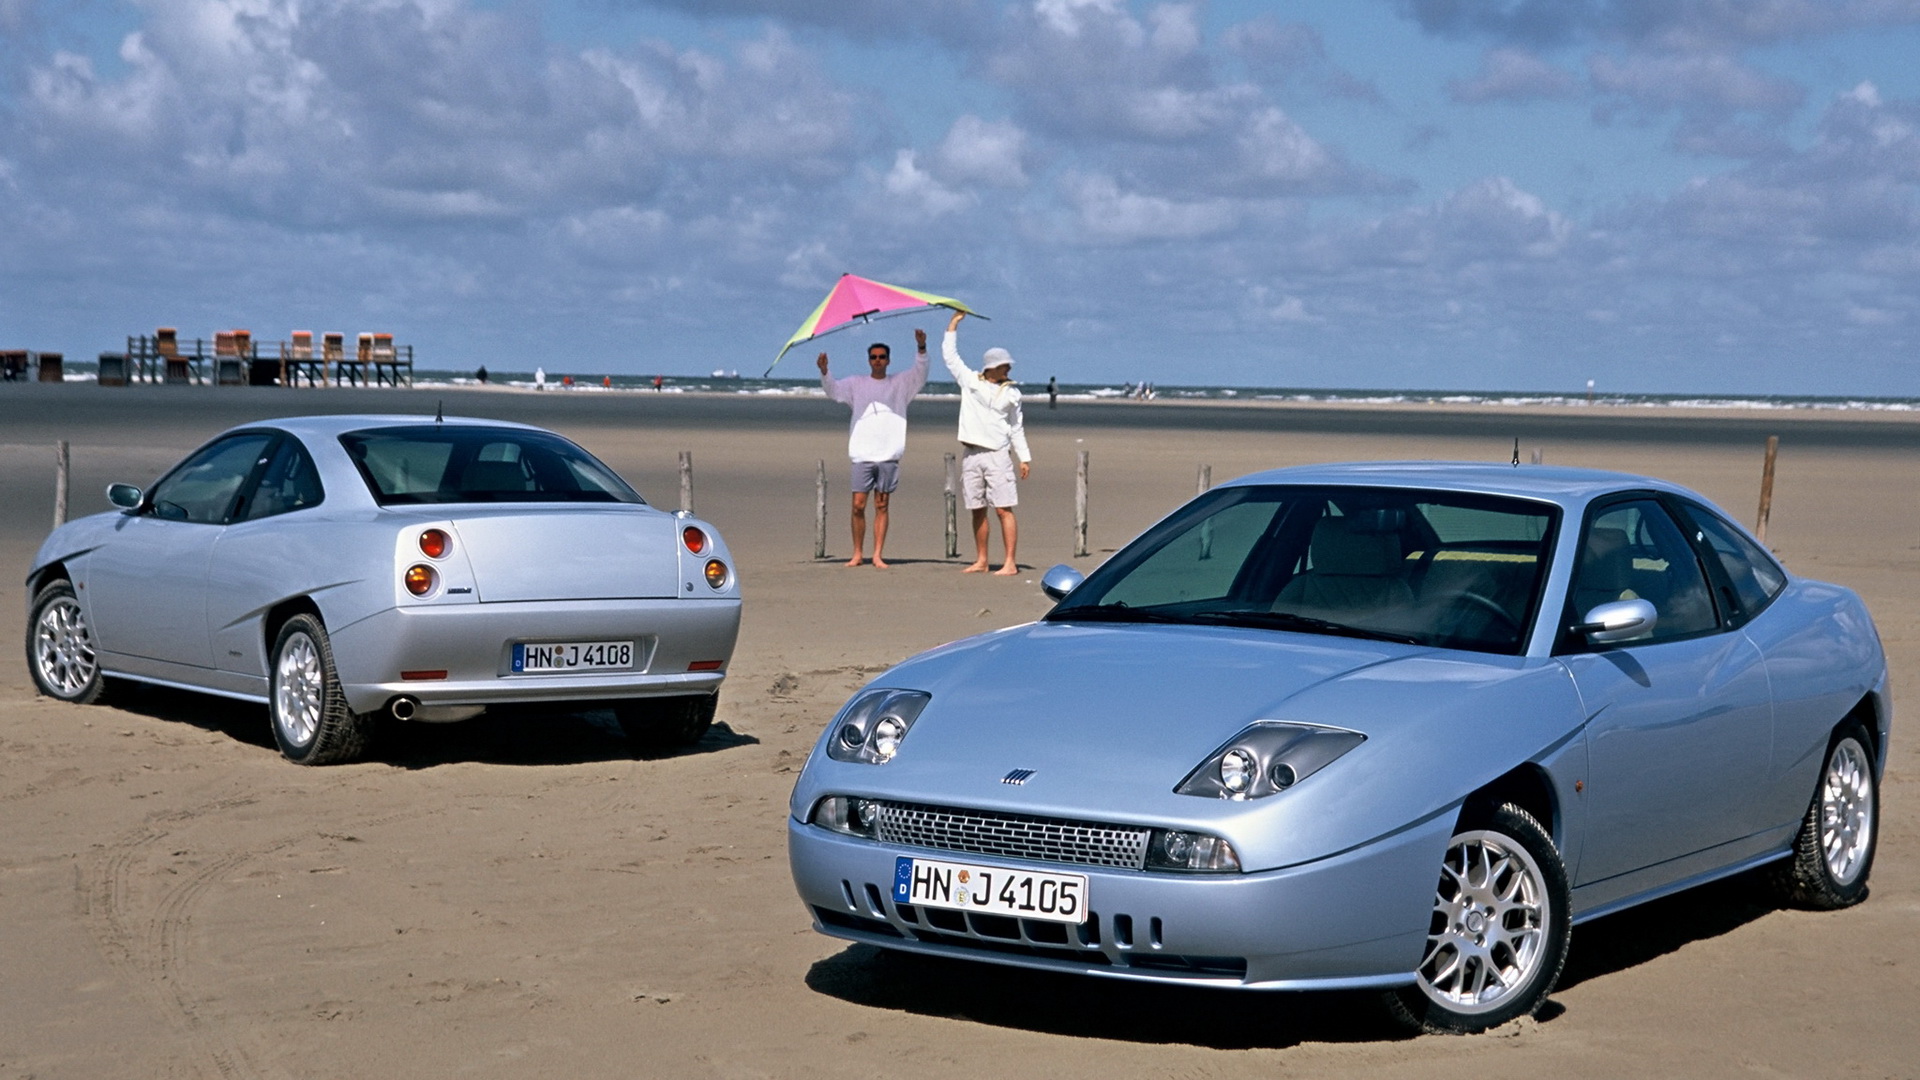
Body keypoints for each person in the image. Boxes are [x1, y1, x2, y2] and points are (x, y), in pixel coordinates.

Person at [818, 328, 931, 568]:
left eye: (881, 357)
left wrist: (921, 348)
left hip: (889, 453)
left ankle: (877, 554)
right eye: (874, 357)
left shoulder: (900, 383)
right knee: (858, 505)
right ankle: (858, 553)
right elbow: (834, 391)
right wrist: (825, 371)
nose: (877, 360)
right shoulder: (856, 383)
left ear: (888, 360)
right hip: (862, 453)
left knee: (882, 504)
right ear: (869, 360)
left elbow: (920, 373)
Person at [943, 310, 1030, 575]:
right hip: (972, 453)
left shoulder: (1012, 393)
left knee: (1004, 508)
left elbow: (1017, 427)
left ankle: (1010, 563)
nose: (1008, 368)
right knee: (977, 508)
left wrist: (1024, 457)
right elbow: (951, 357)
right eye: (1004, 365)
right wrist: (953, 325)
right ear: (992, 367)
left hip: (998, 454)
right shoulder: (971, 382)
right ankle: (981, 560)